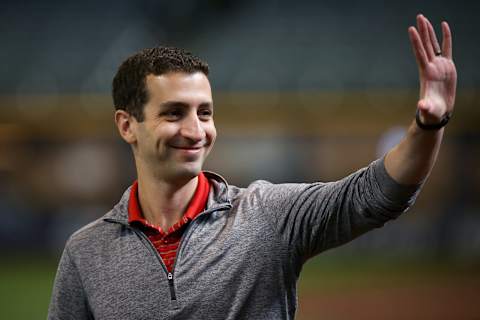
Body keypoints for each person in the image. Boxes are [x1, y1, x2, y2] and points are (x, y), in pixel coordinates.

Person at [48, 14, 456, 319]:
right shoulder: (85, 253)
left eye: (204, 113)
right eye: (174, 113)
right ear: (127, 125)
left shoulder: (267, 216)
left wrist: (429, 123)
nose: (195, 131)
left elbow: (376, 195)